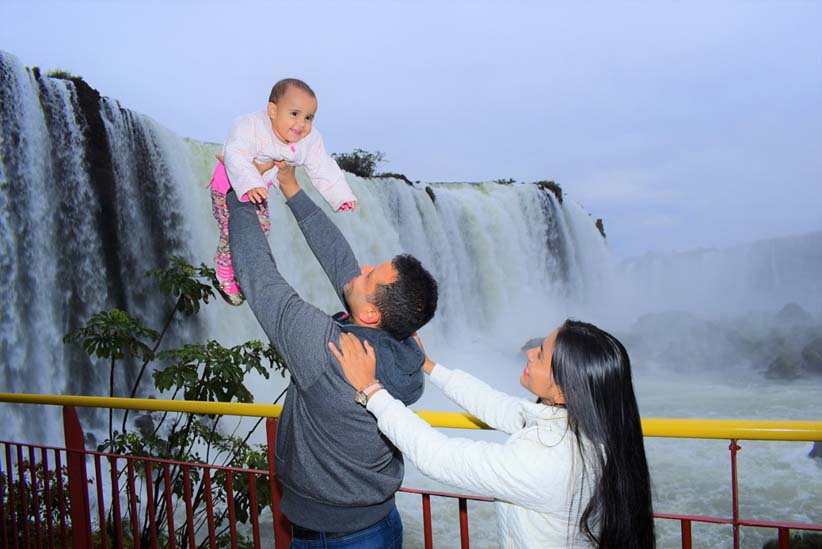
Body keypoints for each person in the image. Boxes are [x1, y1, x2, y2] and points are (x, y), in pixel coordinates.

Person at [227, 162, 438, 547]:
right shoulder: (403, 345)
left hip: (332, 538)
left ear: (371, 314)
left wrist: (240, 189)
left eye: (372, 276)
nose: (364, 267)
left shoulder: (332, 351)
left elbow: (259, 277)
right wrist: (291, 188)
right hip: (381, 521)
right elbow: (340, 259)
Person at [329, 319, 656, 548]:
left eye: (541, 354)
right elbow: (496, 405)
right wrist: (430, 367)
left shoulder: (550, 461)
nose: (530, 352)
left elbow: (438, 457)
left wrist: (371, 390)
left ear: (564, 391)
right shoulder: (582, 426)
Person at [210, 77, 357, 305]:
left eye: (309, 117)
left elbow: (322, 166)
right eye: (295, 114)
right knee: (231, 230)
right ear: (272, 110)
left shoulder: (308, 139)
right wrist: (250, 182)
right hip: (228, 185)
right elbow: (235, 153)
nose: (302, 124)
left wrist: (341, 196)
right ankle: (223, 271)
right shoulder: (250, 126)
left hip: (260, 188)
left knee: (261, 230)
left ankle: (239, 268)